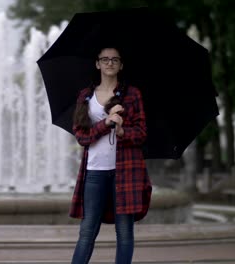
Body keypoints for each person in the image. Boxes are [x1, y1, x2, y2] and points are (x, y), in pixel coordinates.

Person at [70, 45, 152, 264]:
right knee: (87, 232)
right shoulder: (85, 96)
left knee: (124, 233)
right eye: (105, 59)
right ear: (97, 64)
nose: (109, 63)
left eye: (115, 60)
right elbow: (81, 136)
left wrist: (123, 131)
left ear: (121, 65)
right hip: (94, 171)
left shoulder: (132, 94)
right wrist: (106, 123)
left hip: (125, 172)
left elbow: (142, 133)